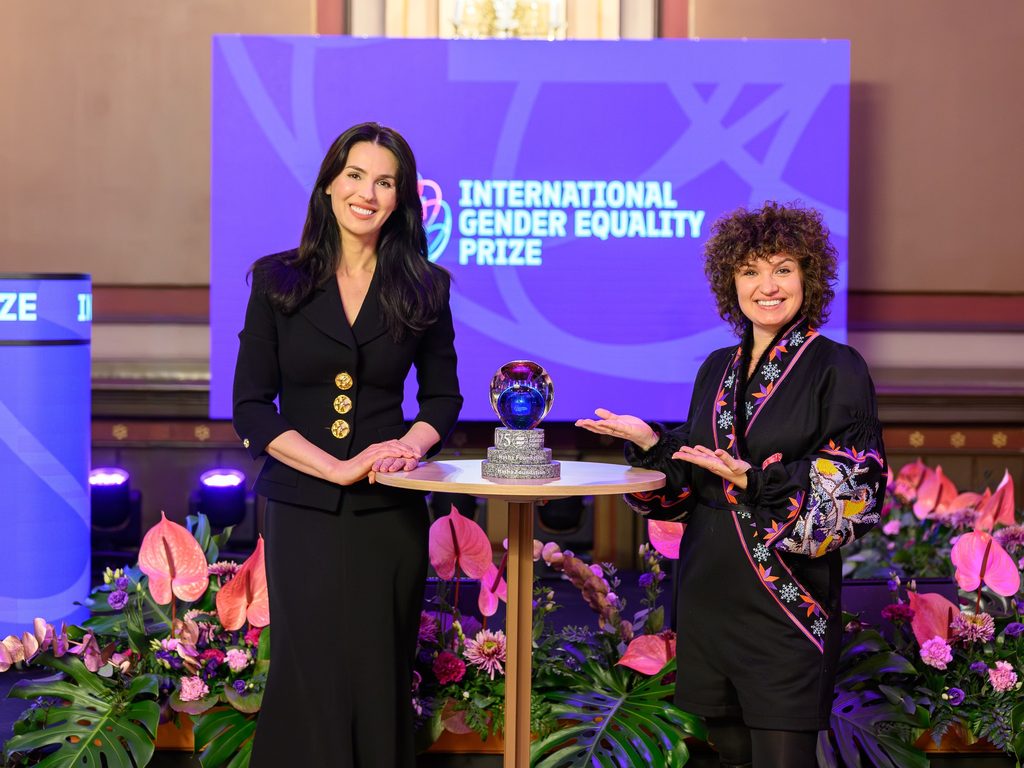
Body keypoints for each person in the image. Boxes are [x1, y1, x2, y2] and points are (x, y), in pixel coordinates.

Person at [576, 202, 885, 768]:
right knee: (730, 753)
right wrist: (651, 444)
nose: (767, 286)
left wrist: (756, 479)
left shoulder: (837, 367)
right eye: (750, 271)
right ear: (730, 282)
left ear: (808, 277)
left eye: (783, 269)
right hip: (708, 598)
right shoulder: (715, 368)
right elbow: (688, 483)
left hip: (784, 605)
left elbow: (856, 490)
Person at [232, 122, 462, 767]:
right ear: (330, 183)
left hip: (388, 511)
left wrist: (406, 449)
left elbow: (443, 399)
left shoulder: (426, 286)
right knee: (308, 676)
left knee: (377, 671)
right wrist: (333, 468)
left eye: (385, 181)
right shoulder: (277, 280)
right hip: (302, 508)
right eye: (356, 175)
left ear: (401, 198)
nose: (368, 191)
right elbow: (250, 406)